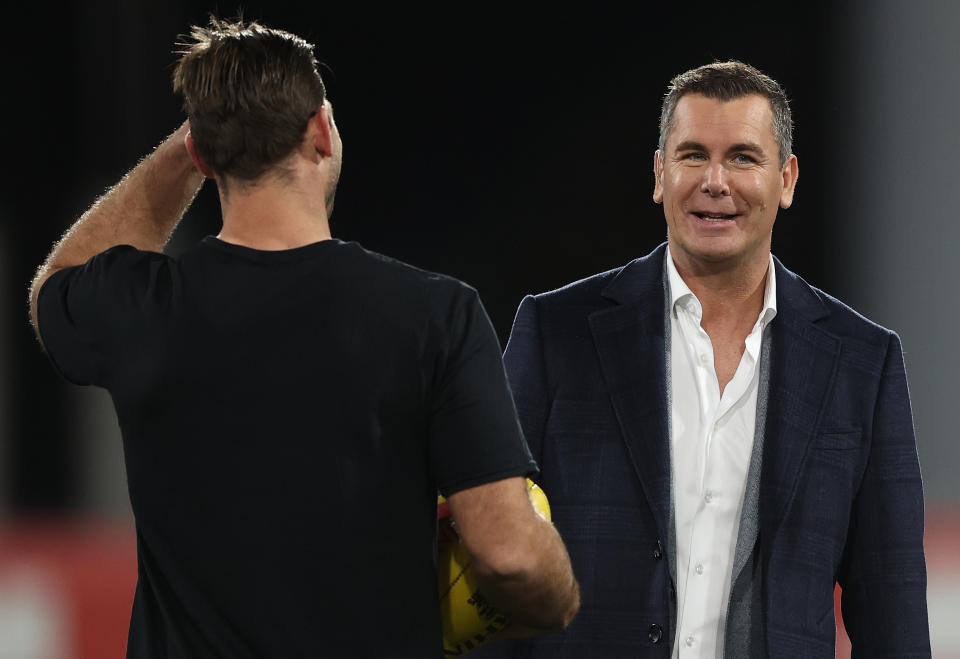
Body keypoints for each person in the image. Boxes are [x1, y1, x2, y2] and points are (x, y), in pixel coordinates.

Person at [28, 18, 578, 658]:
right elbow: (509, 555)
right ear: (321, 130)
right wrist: (558, 594)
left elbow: (55, 283)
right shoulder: (433, 314)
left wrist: (193, 143)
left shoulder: (144, 307)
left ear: (204, 156)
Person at [476, 61, 929, 658]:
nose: (715, 181)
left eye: (743, 157)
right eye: (692, 155)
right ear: (660, 174)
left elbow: (891, 603)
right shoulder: (556, 331)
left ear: (786, 180)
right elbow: (493, 556)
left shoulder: (863, 363)